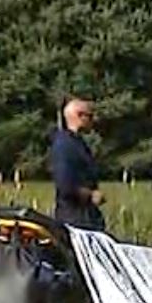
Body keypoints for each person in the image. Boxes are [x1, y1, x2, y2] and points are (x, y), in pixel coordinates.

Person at [48, 95, 106, 232]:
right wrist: (91, 195)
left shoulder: (77, 143)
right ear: (79, 116)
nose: (93, 120)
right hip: (74, 221)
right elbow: (64, 184)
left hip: (87, 218)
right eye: (90, 116)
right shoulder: (64, 145)